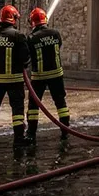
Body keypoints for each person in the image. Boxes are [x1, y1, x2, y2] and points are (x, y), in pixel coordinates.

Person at [0, 5, 29, 151]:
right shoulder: (18, 36)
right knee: (17, 110)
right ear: (13, 19)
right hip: (14, 80)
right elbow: (25, 57)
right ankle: (19, 138)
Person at [25, 8, 69, 142]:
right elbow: (58, 46)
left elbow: (28, 56)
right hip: (56, 74)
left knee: (33, 105)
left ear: (32, 22)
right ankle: (65, 129)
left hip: (39, 76)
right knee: (60, 102)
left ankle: (31, 133)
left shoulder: (31, 38)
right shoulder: (55, 33)